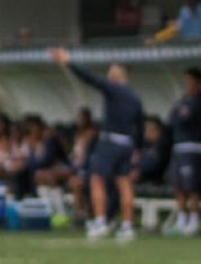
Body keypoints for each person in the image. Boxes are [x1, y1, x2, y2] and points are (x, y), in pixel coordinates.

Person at [50, 48, 144, 240]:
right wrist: (138, 149)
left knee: (97, 180)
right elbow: (140, 126)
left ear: (117, 76)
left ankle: (100, 221)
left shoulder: (113, 89)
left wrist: (69, 62)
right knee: (124, 183)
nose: (107, 77)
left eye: (110, 73)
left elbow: (90, 78)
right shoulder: (136, 98)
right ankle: (128, 226)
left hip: (110, 142)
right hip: (127, 144)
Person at [164, 68, 201, 236]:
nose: (188, 84)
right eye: (186, 81)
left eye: (191, 80)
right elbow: (172, 119)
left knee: (192, 186)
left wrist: (179, 116)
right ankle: (182, 219)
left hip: (193, 148)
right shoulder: (184, 100)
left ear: (198, 82)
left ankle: (194, 220)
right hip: (179, 147)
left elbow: (184, 119)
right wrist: (178, 115)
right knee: (179, 186)